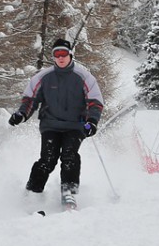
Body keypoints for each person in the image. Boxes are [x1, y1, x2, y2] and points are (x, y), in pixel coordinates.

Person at [8, 38, 104, 206]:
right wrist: (21, 115)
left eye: (64, 54)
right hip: (50, 125)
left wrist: (92, 121)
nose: (60, 58)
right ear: (53, 57)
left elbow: (95, 101)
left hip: (75, 125)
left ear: (70, 55)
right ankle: (33, 192)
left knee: (70, 155)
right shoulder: (44, 77)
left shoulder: (83, 76)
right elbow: (30, 99)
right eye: (56, 54)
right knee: (48, 158)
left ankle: (68, 192)